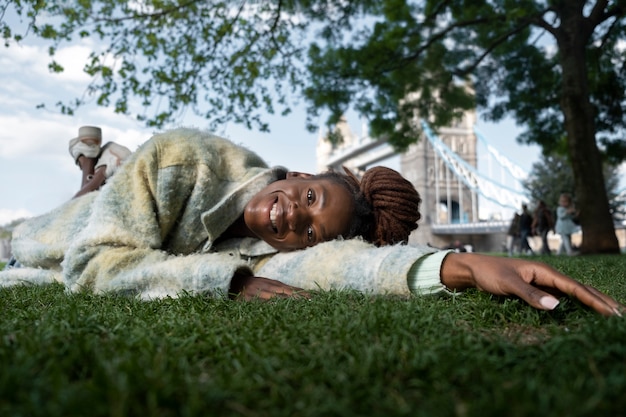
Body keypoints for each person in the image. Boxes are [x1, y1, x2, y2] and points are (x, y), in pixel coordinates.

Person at [1, 127, 623, 317]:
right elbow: (91, 263)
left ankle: (94, 171)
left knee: (96, 189)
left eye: (306, 229)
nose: (291, 219)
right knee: (54, 217)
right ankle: (93, 174)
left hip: (109, 219)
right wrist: (225, 280)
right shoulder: (184, 157)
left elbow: (344, 263)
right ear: (299, 174)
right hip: (47, 234)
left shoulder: (273, 245)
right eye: (307, 199)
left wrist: (459, 265)